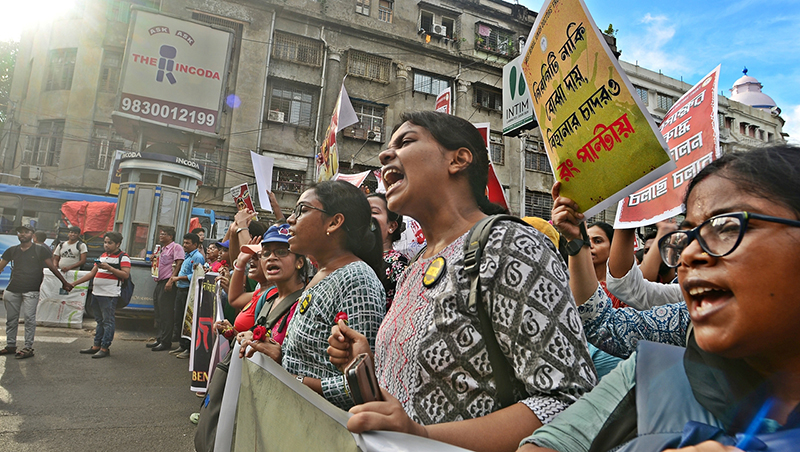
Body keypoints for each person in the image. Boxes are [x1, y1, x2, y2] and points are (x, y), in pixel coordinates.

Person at [327, 111, 596, 452]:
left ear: (459, 159)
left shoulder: (510, 244)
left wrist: (423, 438)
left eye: (406, 141)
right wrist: (369, 363)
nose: (384, 155)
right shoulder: (414, 266)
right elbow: (412, 400)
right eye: (388, 146)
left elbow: (569, 400)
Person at [518, 144, 800, 452]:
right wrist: (577, 244)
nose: (690, 254)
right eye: (688, 236)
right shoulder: (655, 365)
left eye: (728, 227)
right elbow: (605, 323)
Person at [239, 180, 386, 410]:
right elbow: (311, 358)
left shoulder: (357, 279)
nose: (290, 219)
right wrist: (278, 355)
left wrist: (294, 381)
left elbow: (362, 385)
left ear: (334, 222)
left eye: (303, 210)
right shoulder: (321, 274)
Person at [230, 223, 307, 356]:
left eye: (282, 252)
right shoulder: (268, 300)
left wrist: (281, 357)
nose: (271, 257)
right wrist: (244, 336)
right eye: (265, 253)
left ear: (299, 262)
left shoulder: (307, 303)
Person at [0, 224, 72, 359]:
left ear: (32, 235)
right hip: (12, 289)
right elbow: (0, 266)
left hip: (31, 290)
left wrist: (65, 282)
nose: (22, 234)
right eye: (20, 232)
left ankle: (28, 347)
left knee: (29, 319)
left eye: (26, 232)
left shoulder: (40, 251)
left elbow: (52, 268)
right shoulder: (12, 250)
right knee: (11, 320)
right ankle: (10, 345)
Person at [71, 232, 130, 359]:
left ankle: (105, 347)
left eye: (110, 243)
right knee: (99, 321)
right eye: (105, 242)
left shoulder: (123, 257)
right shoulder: (102, 256)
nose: (106, 245)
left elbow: (125, 275)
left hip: (109, 294)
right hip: (96, 293)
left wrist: (109, 268)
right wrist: (74, 283)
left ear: (118, 244)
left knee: (108, 321)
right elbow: (91, 273)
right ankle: (96, 345)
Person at [160, 232, 205, 357]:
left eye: (187, 243)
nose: (184, 245)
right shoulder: (186, 255)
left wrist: (179, 278)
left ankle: (188, 348)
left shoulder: (197, 257)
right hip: (180, 291)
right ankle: (182, 345)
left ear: (195, 244)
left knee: (188, 320)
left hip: (188, 292)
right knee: (178, 318)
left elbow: (197, 275)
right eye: (184, 242)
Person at [367, 193, 408, 309]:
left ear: (392, 226)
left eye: (374, 212)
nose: (366, 218)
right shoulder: (352, 257)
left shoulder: (398, 263)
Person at [147, 227, 184, 350]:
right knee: (158, 312)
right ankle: (159, 338)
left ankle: (166, 341)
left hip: (167, 282)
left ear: (171, 237)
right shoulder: (161, 249)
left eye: (164, 234)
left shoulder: (176, 247)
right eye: (161, 234)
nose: (161, 236)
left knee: (166, 313)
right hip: (159, 282)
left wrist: (171, 280)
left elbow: (179, 263)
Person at [587, 222, 625, 308]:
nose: (589, 245)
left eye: (597, 241)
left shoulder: (623, 289)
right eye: (586, 241)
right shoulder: (572, 284)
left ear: (613, 246)